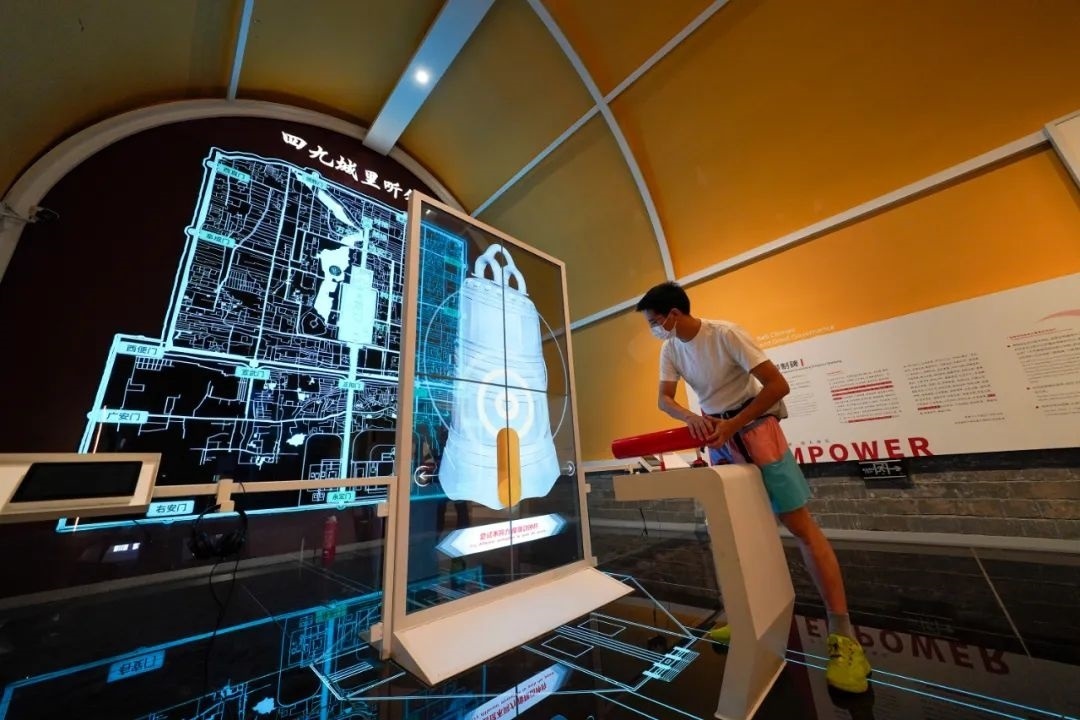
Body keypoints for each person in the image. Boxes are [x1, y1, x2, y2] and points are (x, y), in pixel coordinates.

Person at [635, 281, 871, 694]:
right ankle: (749, 618)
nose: (654, 329)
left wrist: (734, 424)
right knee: (739, 533)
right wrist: (692, 418)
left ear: (673, 313)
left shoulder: (725, 334)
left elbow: (778, 386)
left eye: (655, 321)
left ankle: (844, 636)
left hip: (757, 430)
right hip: (720, 440)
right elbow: (664, 399)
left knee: (800, 527)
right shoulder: (670, 349)